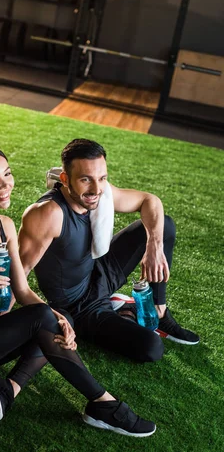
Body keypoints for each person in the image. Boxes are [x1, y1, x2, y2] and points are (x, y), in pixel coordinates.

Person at [0, 143, 156, 437]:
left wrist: (61, 319)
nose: (5, 185)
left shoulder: (5, 224)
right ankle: (103, 403)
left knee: (54, 319)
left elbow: (22, 289)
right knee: (42, 318)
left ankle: (8, 391)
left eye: (7, 174)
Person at [18, 138, 199, 364]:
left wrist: (154, 245)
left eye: (101, 178)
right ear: (65, 179)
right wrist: (4, 321)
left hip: (99, 269)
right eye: (85, 179)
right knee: (151, 348)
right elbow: (18, 274)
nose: (96, 189)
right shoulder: (47, 214)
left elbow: (149, 200)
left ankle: (158, 311)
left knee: (165, 226)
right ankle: (122, 310)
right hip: (79, 306)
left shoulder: (100, 191)